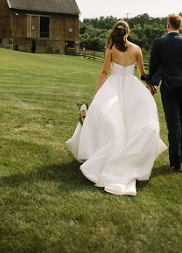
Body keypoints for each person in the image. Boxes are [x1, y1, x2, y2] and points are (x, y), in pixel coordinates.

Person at [66, 21, 166, 196]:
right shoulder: (137, 49)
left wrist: (98, 93)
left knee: (111, 120)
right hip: (131, 87)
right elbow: (142, 73)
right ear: (128, 32)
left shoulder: (111, 49)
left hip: (114, 86)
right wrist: (150, 87)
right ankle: (130, 155)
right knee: (133, 121)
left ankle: (108, 152)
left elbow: (104, 72)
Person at [144, 14, 182, 173]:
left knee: (174, 124)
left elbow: (153, 66)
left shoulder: (159, 42)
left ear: (168, 25)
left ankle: (176, 163)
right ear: (180, 26)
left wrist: (150, 80)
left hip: (168, 87)